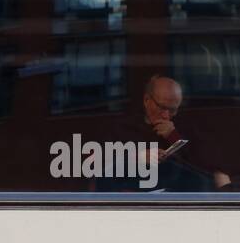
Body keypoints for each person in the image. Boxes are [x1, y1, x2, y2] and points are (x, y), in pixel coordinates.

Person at [95, 75, 232, 192]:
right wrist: (135, 158)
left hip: (181, 200)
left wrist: (174, 136)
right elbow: (95, 165)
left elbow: (213, 165)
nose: (166, 115)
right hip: (135, 201)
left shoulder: (186, 125)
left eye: (172, 110)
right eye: (162, 107)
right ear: (147, 100)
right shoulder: (122, 127)